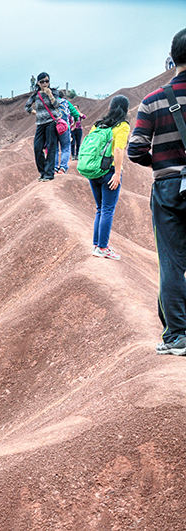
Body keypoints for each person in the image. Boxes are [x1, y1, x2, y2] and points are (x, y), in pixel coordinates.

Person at [128, 27, 186, 356]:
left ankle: (178, 336)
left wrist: (162, 165)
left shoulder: (152, 102)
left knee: (172, 264)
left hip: (168, 189)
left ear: (172, 57)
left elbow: (135, 150)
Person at [88, 95, 130, 261]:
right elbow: (119, 150)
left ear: (110, 108)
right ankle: (103, 247)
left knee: (100, 209)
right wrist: (117, 173)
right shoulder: (122, 126)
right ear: (125, 110)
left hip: (94, 170)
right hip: (109, 171)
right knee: (107, 210)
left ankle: (96, 245)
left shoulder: (98, 124)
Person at [25, 72, 60, 181]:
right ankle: (43, 172)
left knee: (51, 148)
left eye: (47, 81)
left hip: (51, 122)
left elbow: (57, 105)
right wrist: (36, 112)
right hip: (40, 123)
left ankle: (49, 174)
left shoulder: (54, 92)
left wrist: (50, 95)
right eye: (42, 81)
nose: (45, 83)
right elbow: (27, 107)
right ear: (38, 83)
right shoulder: (36, 94)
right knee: (37, 148)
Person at [54, 93, 82, 174]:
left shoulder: (50, 101)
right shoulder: (66, 102)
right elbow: (76, 114)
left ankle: (55, 168)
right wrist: (74, 122)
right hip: (64, 128)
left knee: (54, 148)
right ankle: (63, 168)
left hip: (53, 127)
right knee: (65, 148)